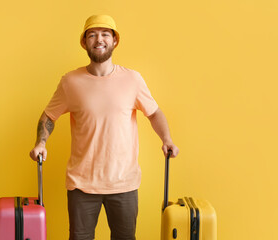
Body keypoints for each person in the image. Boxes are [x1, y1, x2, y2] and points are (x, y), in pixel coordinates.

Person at [30, 15, 179, 240]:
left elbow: (154, 113)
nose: (99, 39)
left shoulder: (133, 79)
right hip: (81, 185)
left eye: (105, 34)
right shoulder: (70, 82)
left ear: (114, 40)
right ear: (85, 42)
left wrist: (166, 139)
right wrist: (41, 142)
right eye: (92, 35)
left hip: (123, 183)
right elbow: (49, 116)